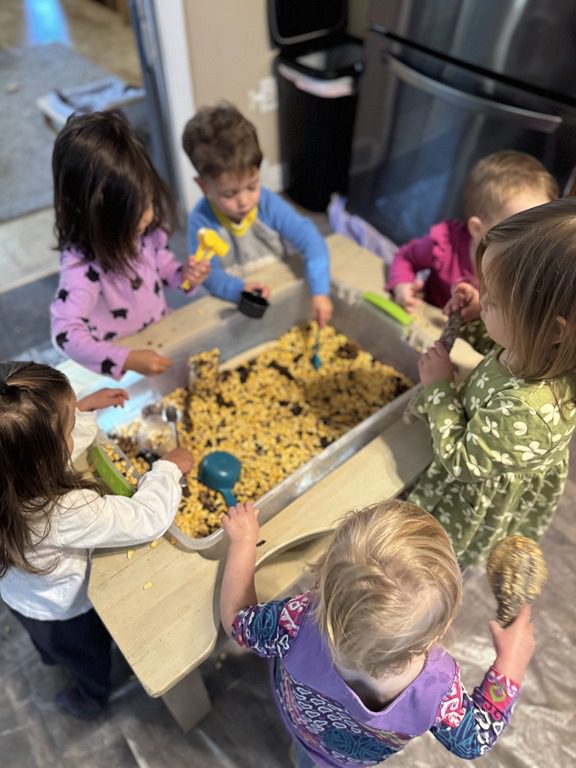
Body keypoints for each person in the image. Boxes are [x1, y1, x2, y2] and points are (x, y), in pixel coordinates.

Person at [219, 499, 534, 767]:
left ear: (323, 575)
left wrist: (243, 542)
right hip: (349, 758)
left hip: (302, 725)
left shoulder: (296, 621)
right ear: (440, 628)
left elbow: (237, 621)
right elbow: (475, 739)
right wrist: (510, 666)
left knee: (305, 756)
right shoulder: (437, 692)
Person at [0, 361, 193, 719]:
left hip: (22, 599)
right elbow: (148, 518)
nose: (73, 433)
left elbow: (32, 451)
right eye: (68, 429)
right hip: (67, 612)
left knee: (46, 643)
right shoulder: (65, 511)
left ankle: (51, 658)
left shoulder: (11, 476)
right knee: (86, 659)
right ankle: (90, 700)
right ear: (42, 460)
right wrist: (168, 469)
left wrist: (82, 412)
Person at [408, 197, 576, 566]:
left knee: (427, 559)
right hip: (479, 448)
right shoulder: (538, 346)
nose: (483, 300)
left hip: (466, 502)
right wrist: (476, 317)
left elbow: (462, 461)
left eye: (494, 301)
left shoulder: (531, 412)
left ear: (552, 330)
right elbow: (503, 348)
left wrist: (439, 388)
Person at [50, 109, 210, 380]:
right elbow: (65, 333)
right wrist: (127, 358)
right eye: (136, 212)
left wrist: (184, 276)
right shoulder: (82, 266)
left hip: (159, 335)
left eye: (148, 202)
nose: (148, 216)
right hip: (119, 362)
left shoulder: (145, 232)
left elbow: (164, 268)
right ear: (100, 217)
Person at [181, 102, 333, 327]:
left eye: (252, 186)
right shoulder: (201, 221)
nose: (244, 201)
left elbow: (311, 240)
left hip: (277, 287)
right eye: (230, 194)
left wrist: (320, 291)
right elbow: (209, 275)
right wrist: (238, 289)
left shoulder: (268, 205)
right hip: (232, 300)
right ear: (204, 186)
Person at [387, 150, 559, 311]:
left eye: (539, 233)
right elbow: (405, 257)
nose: (530, 246)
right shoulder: (446, 246)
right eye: (518, 231)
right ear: (477, 228)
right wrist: (402, 285)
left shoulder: (525, 276)